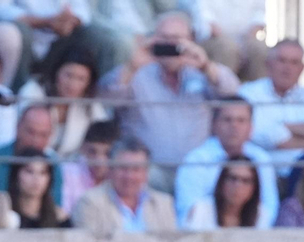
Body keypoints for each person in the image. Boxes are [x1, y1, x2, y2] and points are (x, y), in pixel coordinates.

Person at [98, 10, 239, 191]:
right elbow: (108, 99)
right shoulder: (135, 73)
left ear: (191, 41)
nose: (171, 45)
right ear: (153, 40)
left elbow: (233, 95)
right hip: (148, 172)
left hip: (195, 170)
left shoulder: (203, 73)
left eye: (177, 39)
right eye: (165, 38)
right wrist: (131, 67)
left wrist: (206, 66)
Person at [173, 96, 276, 228]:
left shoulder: (261, 159)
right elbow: (188, 212)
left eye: (241, 120)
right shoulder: (196, 160)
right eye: (227, 120)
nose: (234, 126)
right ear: (214, 125)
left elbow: (270, 209)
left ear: (251, 127)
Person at [241, 39, 304, 174]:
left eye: (294, 62)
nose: (288, 68)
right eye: (282, 60)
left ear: (302, 68)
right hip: (260, 175)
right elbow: (255, 134)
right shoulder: (249, 94)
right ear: (268, 64)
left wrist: (284, 126)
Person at [69, 136, 176, 235]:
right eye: (123, 168)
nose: (129, 176)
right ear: (110, 170)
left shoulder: (164, 204)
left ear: (146, 173)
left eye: (136, 169)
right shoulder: (89, 203)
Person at [17, 47, 109, 155]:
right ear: (56, 73)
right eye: (69, 75)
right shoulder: (33, 92)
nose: (73, 85)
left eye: (81, 79)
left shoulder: (89, 103)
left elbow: (105, 133)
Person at [0, 102, 59, 206]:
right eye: (31, 132)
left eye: (43, 135)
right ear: (18, 127)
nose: (36, 141)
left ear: (51, 135)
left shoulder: (54, 164)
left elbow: (55, 206)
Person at [182, 155, 256, 229]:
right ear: (222, 181)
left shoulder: (261, 214)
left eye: (245, 181)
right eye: (233, 178)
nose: (238, 186)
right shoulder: (201, 210)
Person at [59, 116, 115, 213]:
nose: (99, 160)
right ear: (83, 148)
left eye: (107, 153)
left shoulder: (122, 177)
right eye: (92, 152)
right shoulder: (67, 172)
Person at [8, 146, 66, 227]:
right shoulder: (4, 214)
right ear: (16, 175)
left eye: (42, 173)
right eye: (29, 171)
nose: (36, 179)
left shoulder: (60, 218)